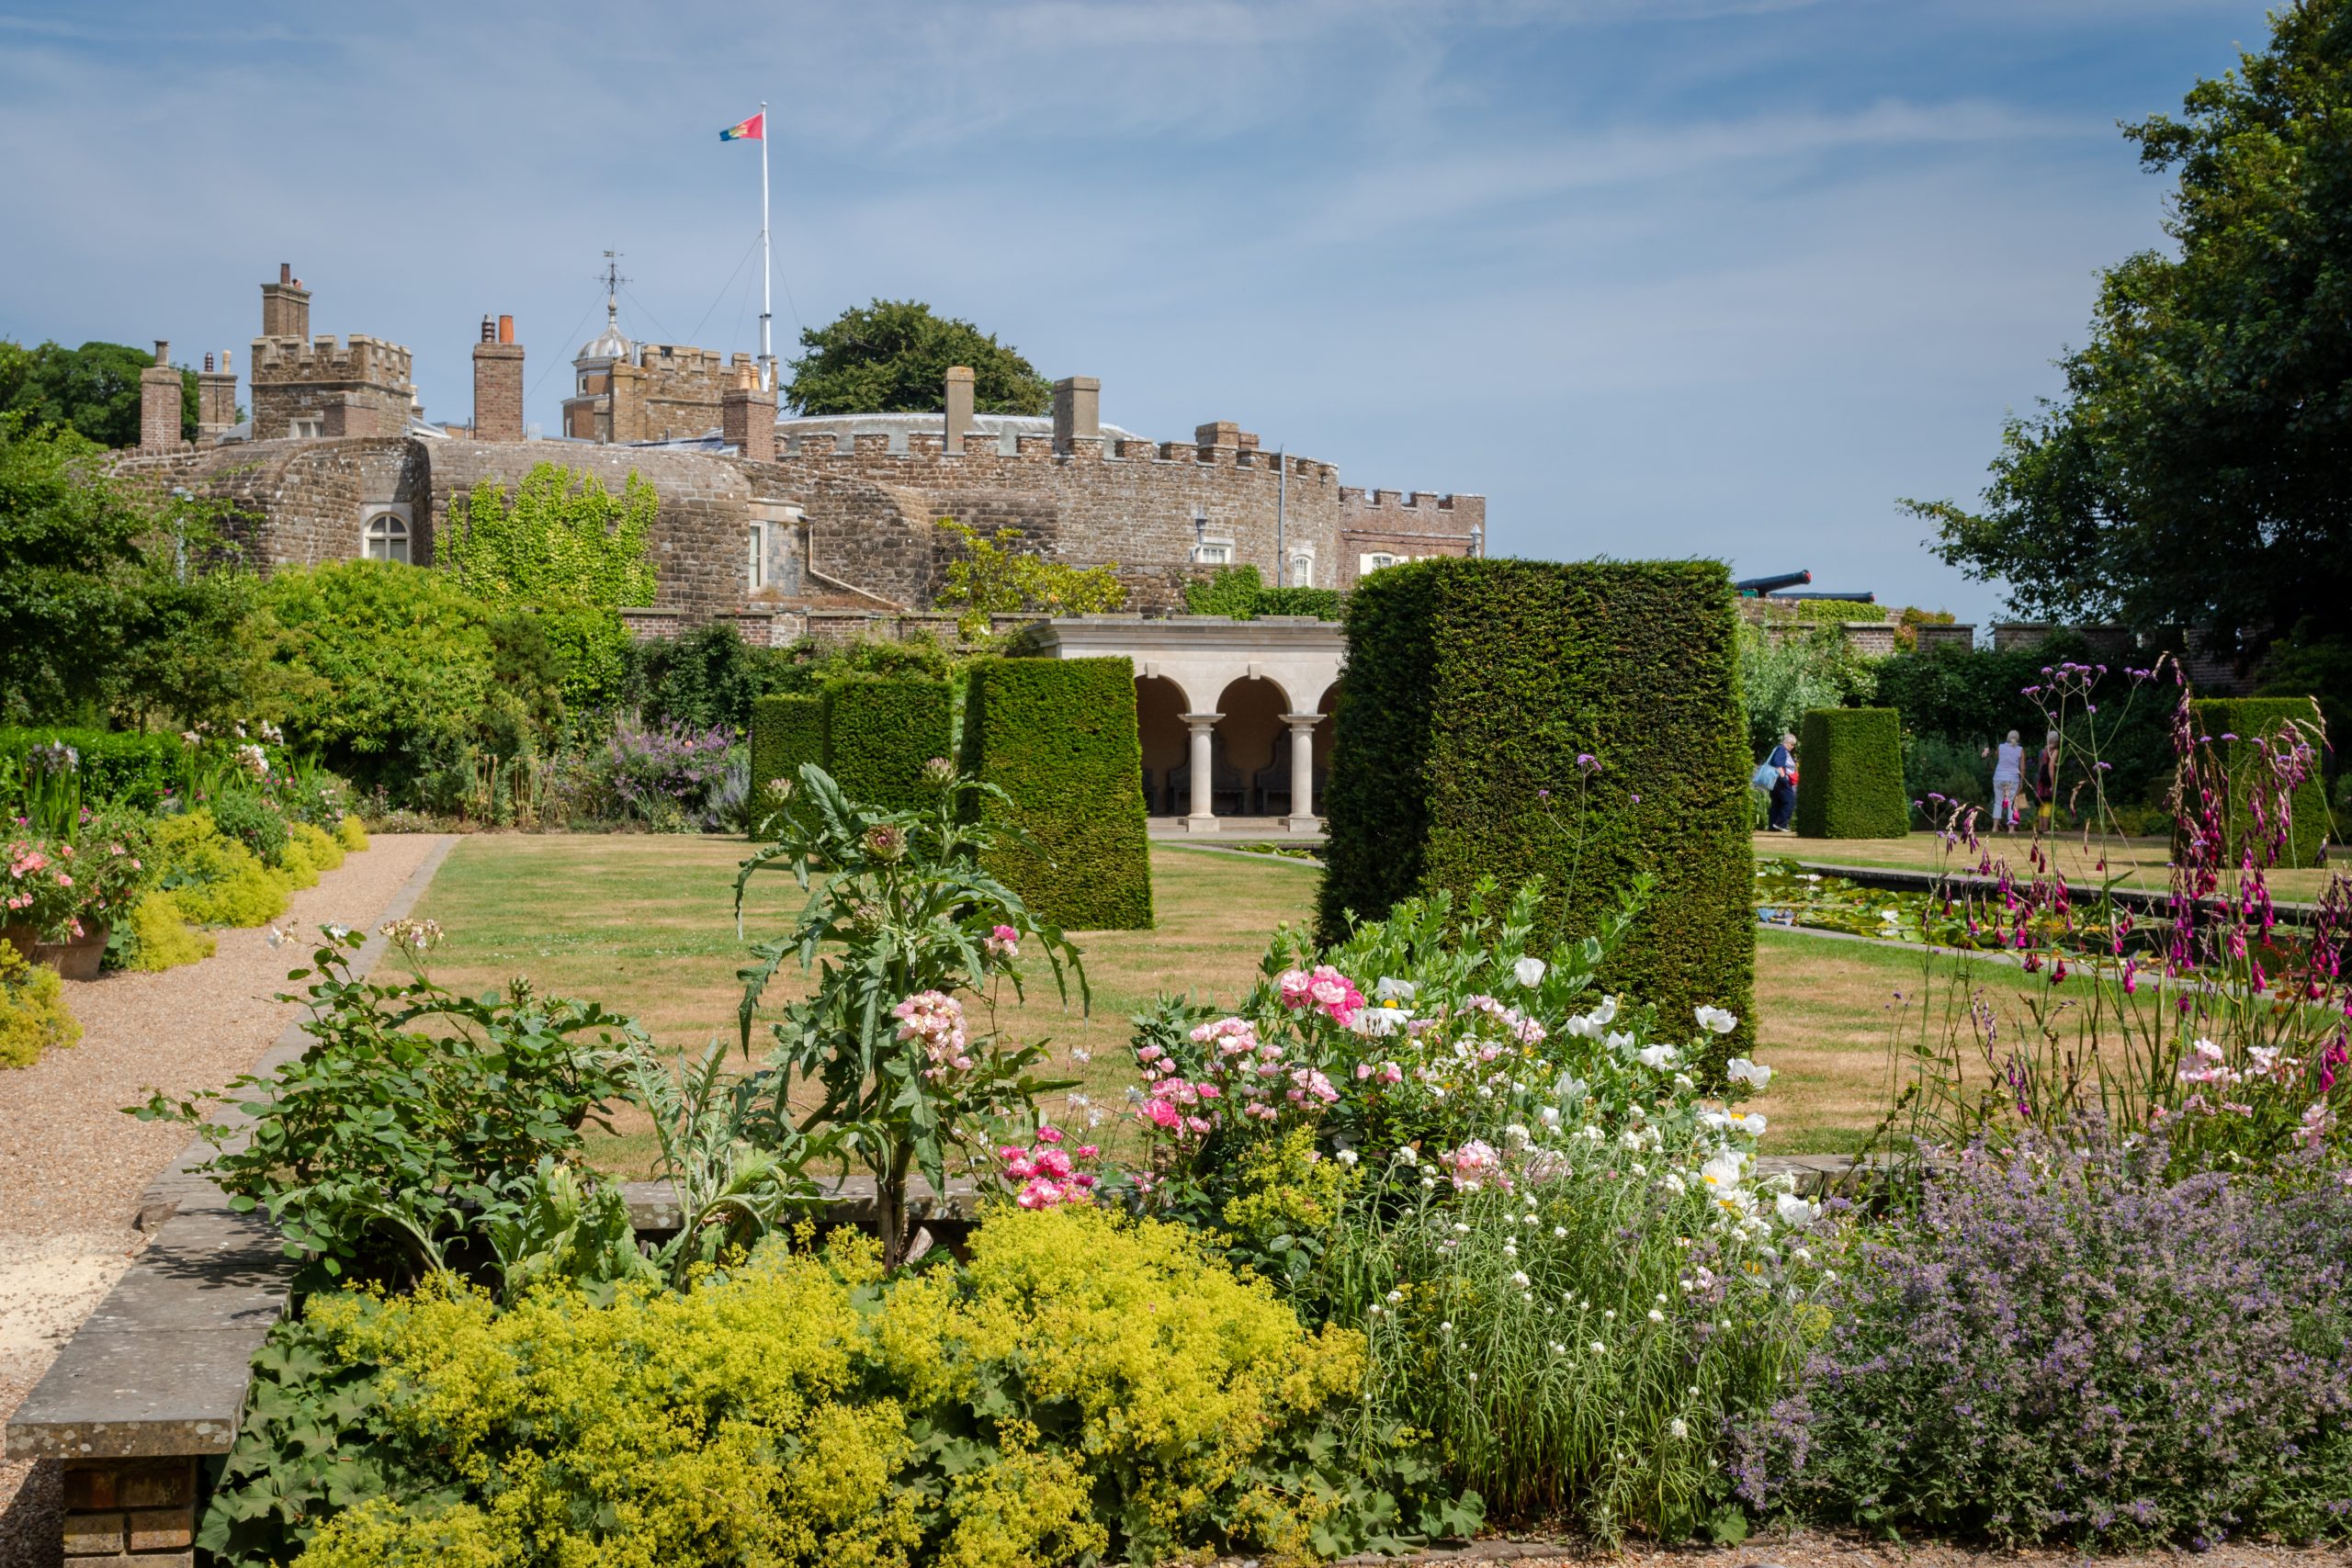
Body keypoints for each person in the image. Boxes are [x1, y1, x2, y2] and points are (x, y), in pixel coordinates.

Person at [1984, 729, 2025, 830]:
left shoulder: (2001, 747)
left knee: (1998, 802)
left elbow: (1997, 756)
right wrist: (2022, 782)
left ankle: (1995, 827)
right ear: (2017, 738)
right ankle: (2011, 829)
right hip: (2012, 778)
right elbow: (2023, 768)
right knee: (2011, 803)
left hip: (1998, 777)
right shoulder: (2020, 749)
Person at [1767, 731, 1798, 832]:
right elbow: (1777, 764)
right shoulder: (1781, 750)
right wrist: (1784, 777)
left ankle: (1773, 825)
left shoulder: (1777, 749)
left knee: (1777, 803)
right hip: (1780, 780)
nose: (1792, 747)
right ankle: (1781, 824)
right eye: (1792, 744)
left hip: (1775, 780)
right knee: (1790, 800)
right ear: (1787, 742)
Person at [2033, 729, 2060, 828]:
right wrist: (2052, 783)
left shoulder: (2042, 751)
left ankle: (2040, 827)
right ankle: (2045, 828)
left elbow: (2040, 766)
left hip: (2040, 780)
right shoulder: (2055, 751)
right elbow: (2051, 766)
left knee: (2041, 804)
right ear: (2056, 741)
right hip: (2047, 780)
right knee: (2047, 804)